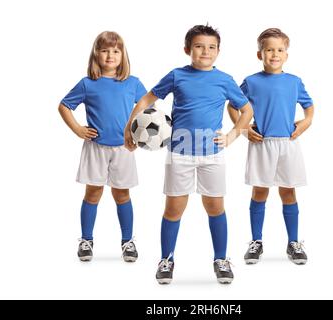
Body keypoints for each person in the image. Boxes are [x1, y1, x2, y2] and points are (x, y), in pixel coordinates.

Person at [124, 24, 253, 284]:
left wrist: (232, 135)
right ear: (187, 49)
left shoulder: (225, 80)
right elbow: (148, 99)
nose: (205, 51)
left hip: (212, 154)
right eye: (199, 46)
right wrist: (130, 125)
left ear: (218, 51)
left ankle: (221, 259)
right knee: (174, 208)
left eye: (211, 47)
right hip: (179, 153)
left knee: (215, 207)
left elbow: (247, 110)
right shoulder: (176, 75)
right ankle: (166, 259)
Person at [58, 31, 147, 263]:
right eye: (105, 50)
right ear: (96, 54)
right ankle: (86, 240)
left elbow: (148, 109)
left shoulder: (132, 83)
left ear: (122, 54)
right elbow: (64, 106)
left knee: (122, 194)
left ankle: (128, 241)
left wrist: (139, 134)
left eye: (116, 51)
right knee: (93, 192)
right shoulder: (88, 84)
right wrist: (78, 129)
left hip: (123, 148)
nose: (110, 55)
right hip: (95, 147)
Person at [228, 28, 315, 265]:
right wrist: (243, 129)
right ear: (260, 54)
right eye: (269, 50)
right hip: (262, 143)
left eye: (279, 50)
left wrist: (306, 122)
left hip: (288, 143)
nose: (274, 54)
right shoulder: (251, 81)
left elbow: (309, 106)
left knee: (288, 191)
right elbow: (233, 105)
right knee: (260, 191)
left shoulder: (294, 81)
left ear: (286, 54)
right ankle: (256, 242)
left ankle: (294, 243)